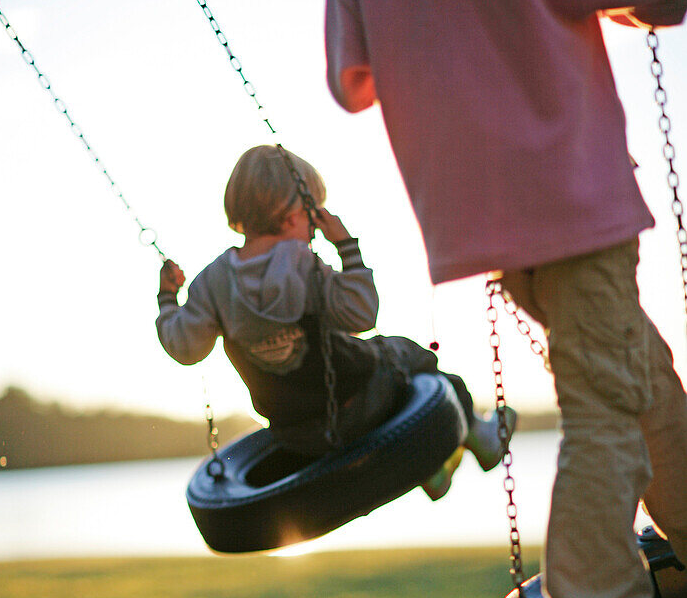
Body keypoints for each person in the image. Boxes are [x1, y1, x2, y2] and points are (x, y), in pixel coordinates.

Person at [325, 0, 687, 598]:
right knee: (609, 406)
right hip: (578, 209)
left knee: (641, 382)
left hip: (486, 227)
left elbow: (349, 82)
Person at [156, 144, 515, 499]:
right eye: (313, 213)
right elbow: (362, 315)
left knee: (389, 359)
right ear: (289, 217)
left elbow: (185, 348)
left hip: (294, 433)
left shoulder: (210, 283)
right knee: (412, 357)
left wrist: (168, 297)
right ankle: (481, 438)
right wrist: (345, 245)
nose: (316, 226)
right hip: (360, 400)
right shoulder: (301, 263)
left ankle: (433, 472)